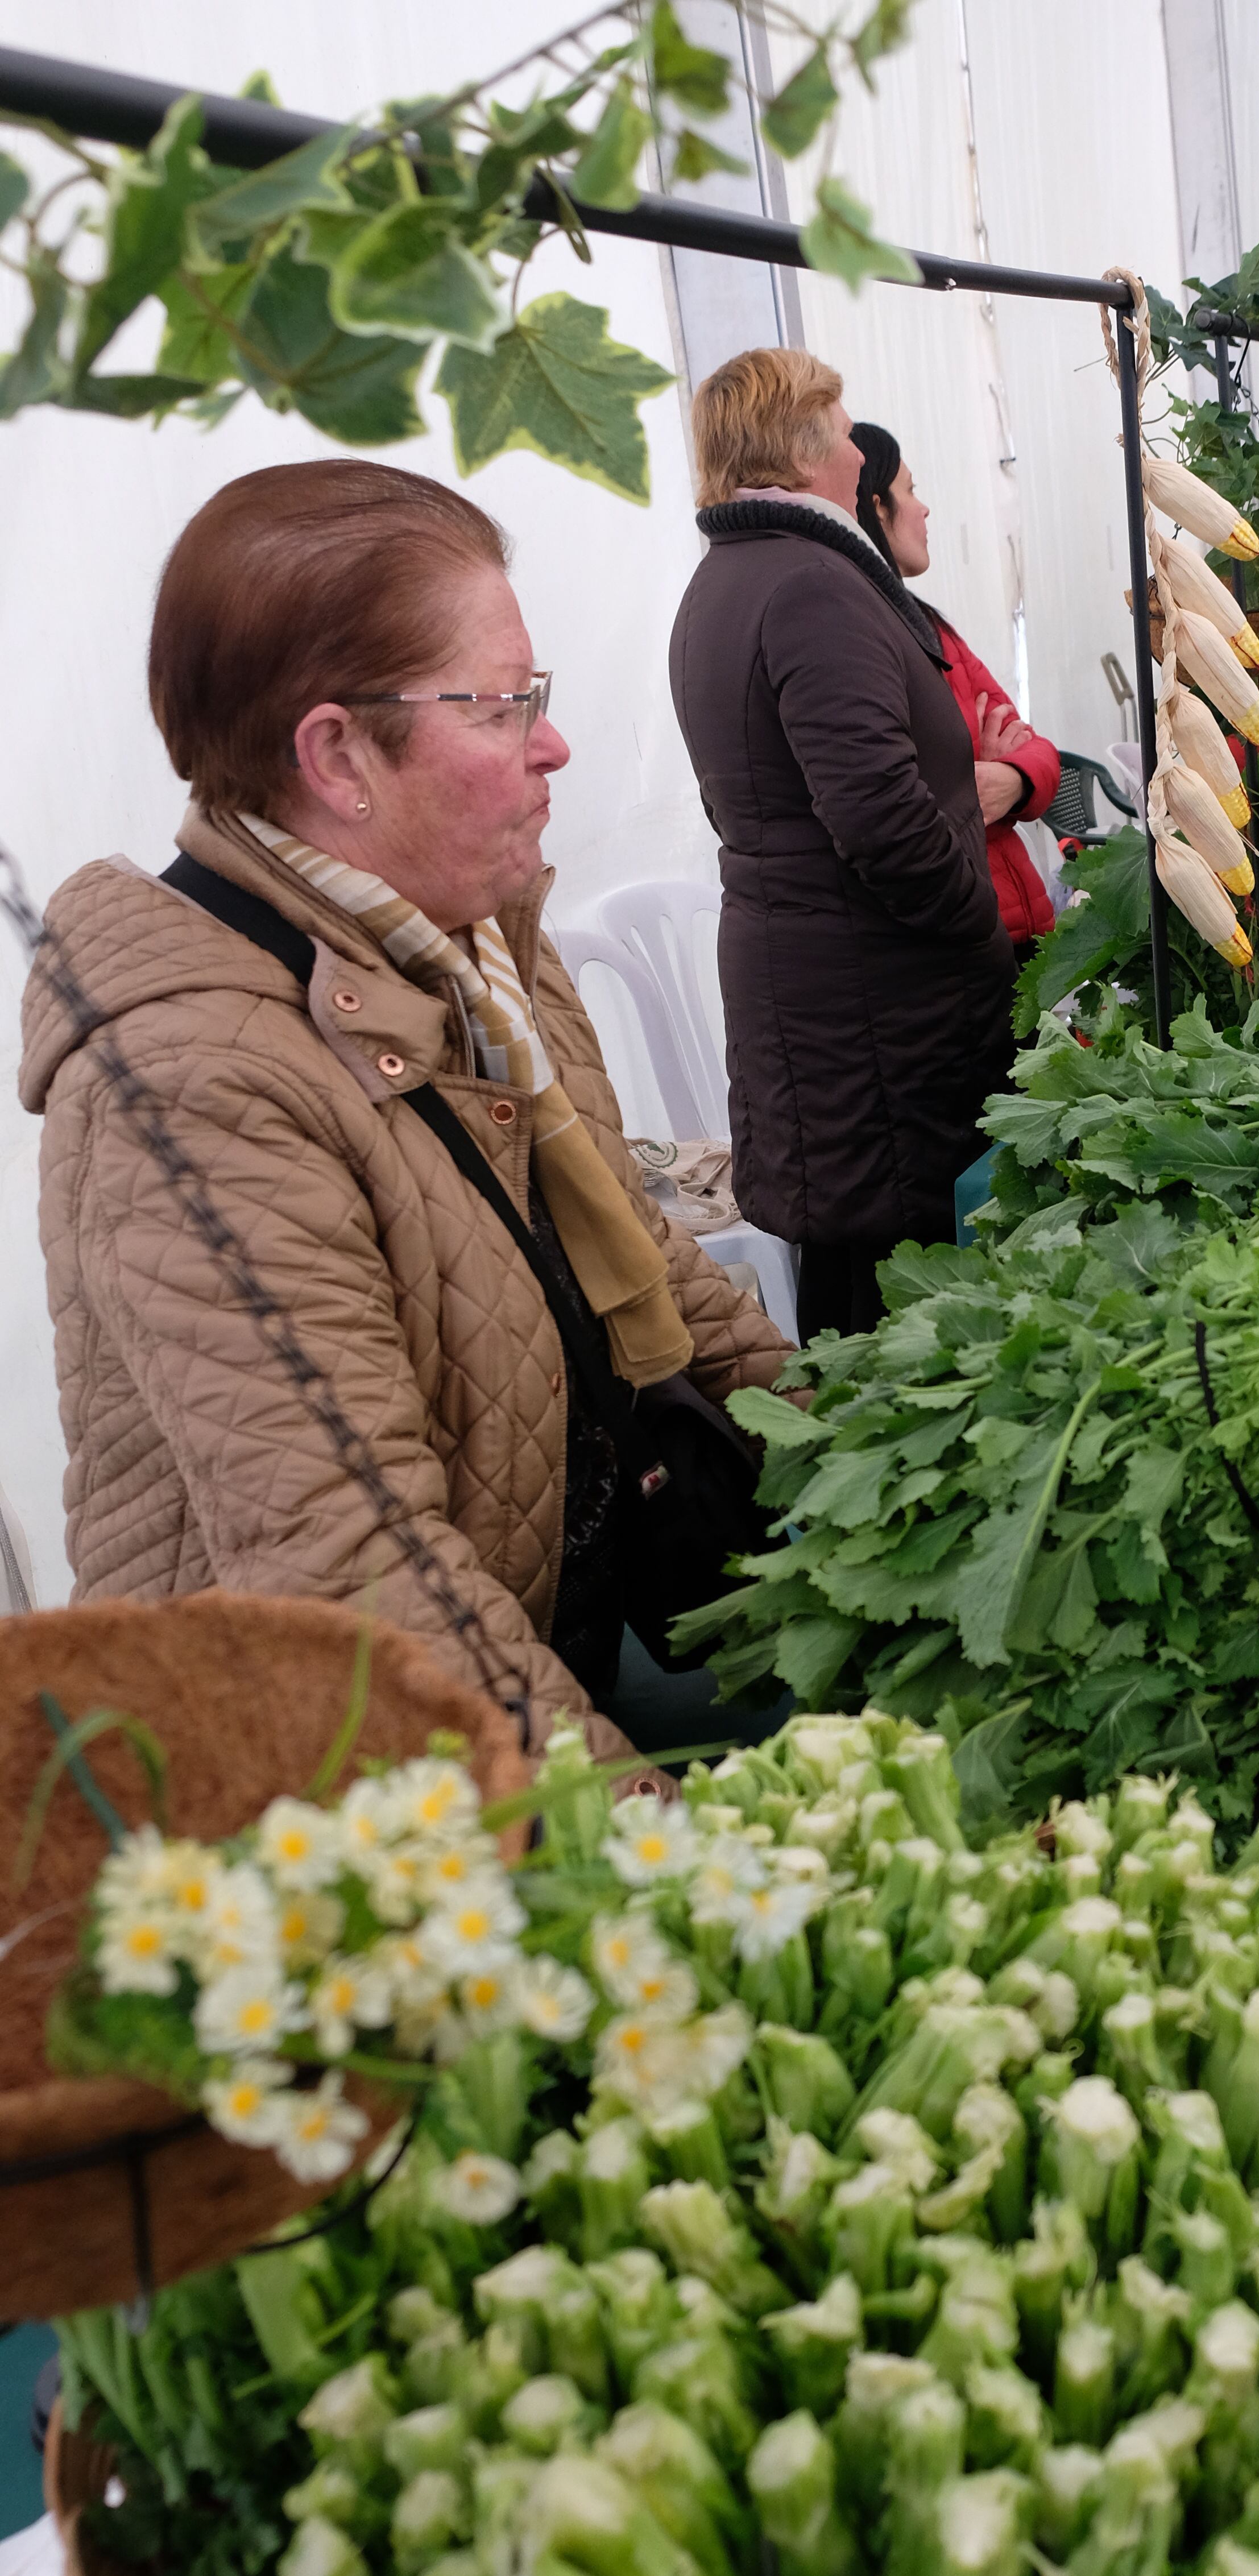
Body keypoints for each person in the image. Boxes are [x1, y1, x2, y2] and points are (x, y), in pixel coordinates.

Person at [22, 460, 790, 1754]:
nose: (551, 743)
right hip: (323, 1784)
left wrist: (873, 1454)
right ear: (337, 757)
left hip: (551, 1631)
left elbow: (634, 1251)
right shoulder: (195, 1085)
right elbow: (351, 1566)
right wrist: (638, 1841)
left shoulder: (477, 940)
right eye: (501, 708)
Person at [669, 350, 1015, 1343]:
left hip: (823, 1002)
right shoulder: (810, 586)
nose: (862, 447)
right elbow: (879, 816)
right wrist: (972, 922)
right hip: (876, 1021)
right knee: (893, 1307)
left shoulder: (731, 580)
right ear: (806, 446)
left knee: (856, 1296)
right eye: (846, 425)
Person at [849, 421, 1060, 947]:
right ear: (877, 507)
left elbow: (1040, 751)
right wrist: (972, 780)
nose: (924, 510)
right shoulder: (863, 639)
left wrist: (1012, 779)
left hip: (1019, 925)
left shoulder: (935, 632)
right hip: (969, 935)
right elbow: (913, 796)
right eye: (910, 490)